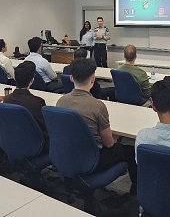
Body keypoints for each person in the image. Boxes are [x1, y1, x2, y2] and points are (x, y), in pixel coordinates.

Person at [56, 58, 137, 194]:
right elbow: (109, 143)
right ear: (93, 79)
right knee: (131, 150)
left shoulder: (61, 101)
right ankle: (134, 191)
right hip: (95, 160)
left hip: (69, 155)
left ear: (71, 78)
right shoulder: (98, 106)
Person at [4, 61, 47, 139]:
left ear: (14, 77)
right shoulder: (37, 102)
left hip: (13, 139)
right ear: (32, 80)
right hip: (35, 141)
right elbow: (45, 126)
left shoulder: (7, 99)